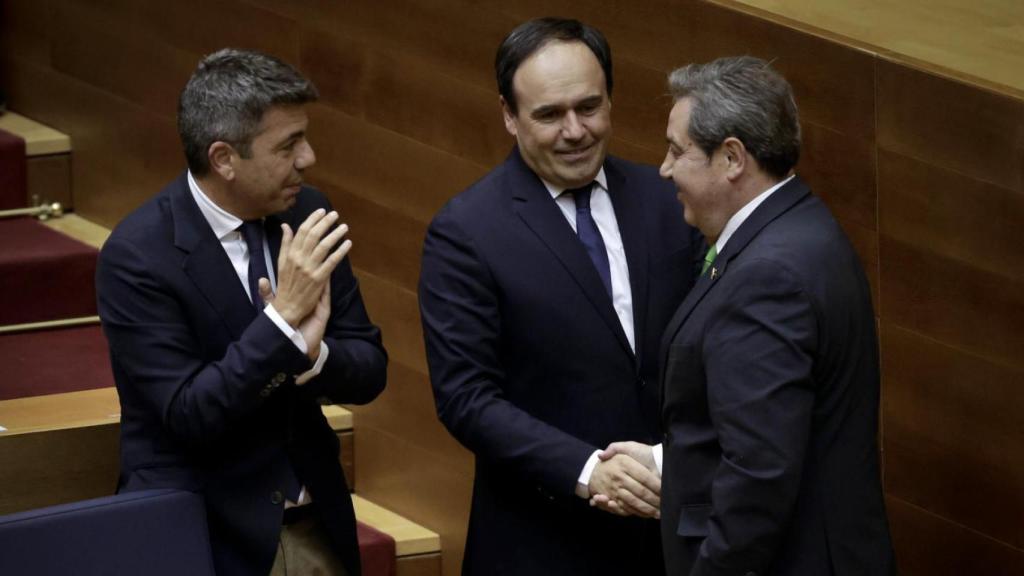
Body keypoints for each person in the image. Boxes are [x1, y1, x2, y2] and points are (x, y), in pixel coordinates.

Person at [418, 18, 702, 576]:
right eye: (549, 114)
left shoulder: (667, 199)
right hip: (543, 541)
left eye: (589, 107)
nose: (575, 131)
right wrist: (586, 468)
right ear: (509, 115)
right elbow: (466, 398)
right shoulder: (467, 230)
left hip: (673, 541)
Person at [96, 49, 387, 576]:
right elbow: (190, 414)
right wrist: (282, 326)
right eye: (288, 145)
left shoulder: (305, 213)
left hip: (313, 525)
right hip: (203, 533)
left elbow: (369, 366)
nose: (309, 158)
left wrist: (315, 355)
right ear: (225, 158)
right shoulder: (138, 256)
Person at [650, 56, 896, 575]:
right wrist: (663, 461)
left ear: (732, 157)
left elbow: (758, 473)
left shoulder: (768, 278)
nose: (664, 168)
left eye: (677, 151)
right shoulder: (801, 226)